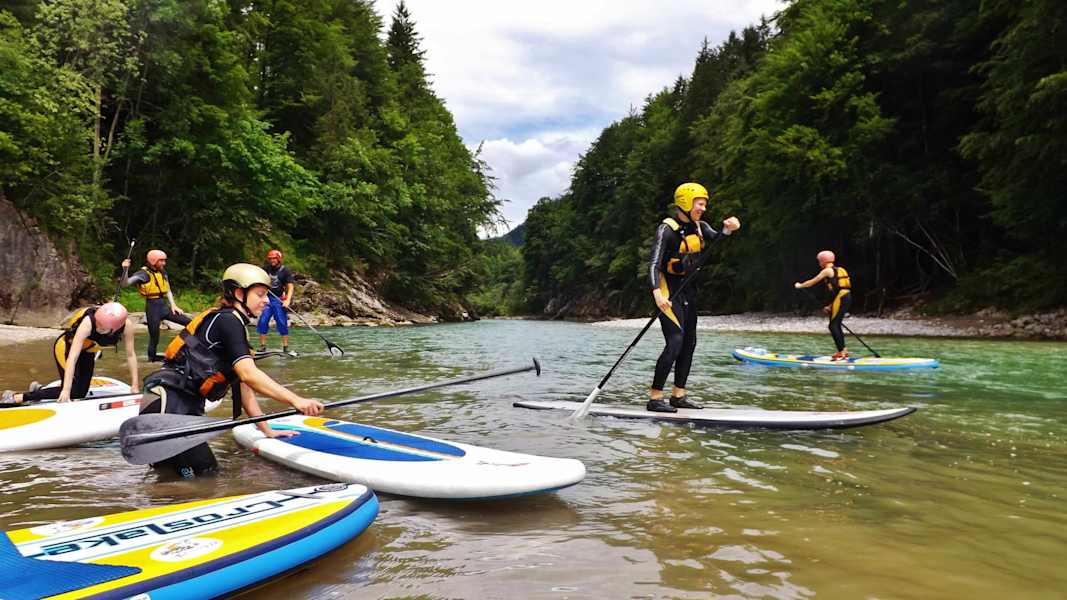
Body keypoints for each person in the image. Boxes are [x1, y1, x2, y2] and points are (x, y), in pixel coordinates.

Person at [140, 263, 324, 478]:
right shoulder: (228, 322)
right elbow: (249, 375)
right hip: (169, 408)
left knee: (178, 480)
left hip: (168, 406)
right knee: (205, 478)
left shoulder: (231, 323)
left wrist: (267, 430)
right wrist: (296, 400)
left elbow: (245, 390)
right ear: (239, 294)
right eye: (261, 294)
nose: (267, 300)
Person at [646, 182, 741, 413]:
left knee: (689, 342)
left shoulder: (700, 227)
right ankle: (655, 398)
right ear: (685, 203)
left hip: (688, 291)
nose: (703, 209)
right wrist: (657, 293)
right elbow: (654, 264)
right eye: (700, 204)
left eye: (704, 205)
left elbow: (717, 239)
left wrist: (728, 229)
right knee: (675, 341)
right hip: (667, 292)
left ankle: (678, 395)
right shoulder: (666, 230)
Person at [2, 302, 138, 405]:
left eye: (102, 327)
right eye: (97, 323)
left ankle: (40, 389)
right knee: (73, 391)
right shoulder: (88, 323)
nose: (97, 328)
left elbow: (131, 355)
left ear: (115, 328)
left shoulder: (126, 326)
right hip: (66, 349)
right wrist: (66, 390)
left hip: (87, 352)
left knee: (81, 393)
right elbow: (72, 357)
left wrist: (135, 385)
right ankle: (18, 397)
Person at [121, 249, 191, 362]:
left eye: (164, 260)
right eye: (161, 261)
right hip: (152, 308)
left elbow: (168, 290)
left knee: (190, 323)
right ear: (153, 261)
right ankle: (152, 358)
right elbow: (125, 284)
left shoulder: (162, 272)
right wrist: (125, 269)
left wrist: (174, 305)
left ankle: (186, 349)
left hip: (164, 306)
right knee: (154, 337)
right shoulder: (143, 274)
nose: (164, 263)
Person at [794, 250, 852, 360]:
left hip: (841, 298)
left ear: (823, 261)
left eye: (819, 261)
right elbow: (837, 290)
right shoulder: (840, 269)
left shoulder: (827, 271)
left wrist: (800, 285)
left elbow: (812, 282)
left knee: (833, 325)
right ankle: (843, 351)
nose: (819, 263)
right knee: (835, 324)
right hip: (845, 297)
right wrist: (830, 306)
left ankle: (842, 352)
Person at [257, 249, 296, 355]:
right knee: (263, 321)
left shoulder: (285, 271)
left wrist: (287, 300)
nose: (272, 260)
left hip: (278, 299)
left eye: (274, 258)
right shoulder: (266, 269)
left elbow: (290, 286)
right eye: (270, 259)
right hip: (267, 298)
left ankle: (285, 347)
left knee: (281, 322)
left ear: (279, 259)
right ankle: (262, 346)